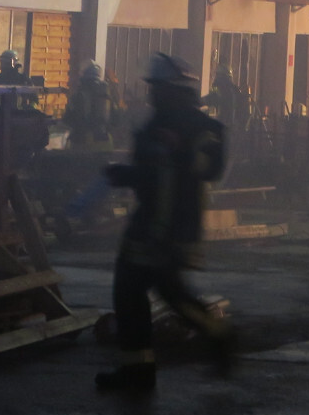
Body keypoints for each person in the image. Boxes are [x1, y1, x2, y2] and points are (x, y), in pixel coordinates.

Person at [95, 52, 236, 394]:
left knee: (165, 292)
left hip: (175, 226)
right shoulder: (154, 125)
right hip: (148, 223)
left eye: (157, 87)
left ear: (176, 89)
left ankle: (217, 336)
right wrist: (126, 175)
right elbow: (151, 174)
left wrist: (180, 150)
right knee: (133, 291)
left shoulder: (202, 127)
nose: (152, 93)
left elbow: (211, 169)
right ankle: (138, 370)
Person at [64, 60, 114, 149]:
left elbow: (68, 119)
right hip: (104, 142)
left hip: (82, 143)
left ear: (83, 76)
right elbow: (117, 118)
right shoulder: (106, 94)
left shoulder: (78, 95)